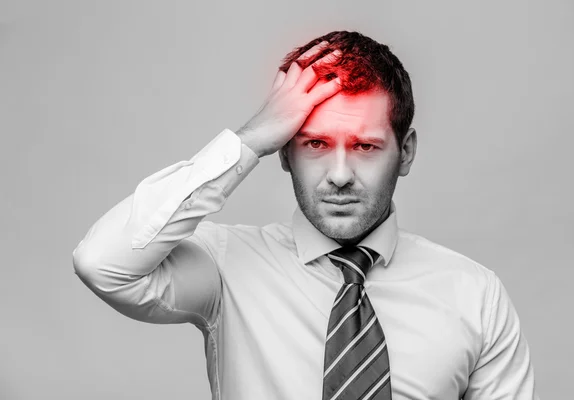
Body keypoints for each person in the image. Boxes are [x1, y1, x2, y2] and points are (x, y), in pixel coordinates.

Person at [72, 30, 538, 399]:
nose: (339, 175)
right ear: (283, 152)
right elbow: (102, 263)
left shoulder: (476, 296)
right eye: (314, 143)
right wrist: (251, 138)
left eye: (365, 146)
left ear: (406, 152)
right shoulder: (225, 268)